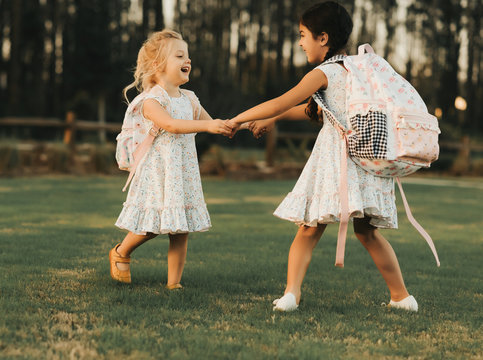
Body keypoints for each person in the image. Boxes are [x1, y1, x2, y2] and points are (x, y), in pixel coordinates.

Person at [228, 2, 418, 312]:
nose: (301, 42)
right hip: (367, 163)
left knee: (308, 227)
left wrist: (236, 120)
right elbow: (317, 113)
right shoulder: (358, 69)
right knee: (367, 233)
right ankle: (402, 298)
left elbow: (280, 102)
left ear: (323, 38)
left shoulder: (323, 73)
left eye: (304, 35)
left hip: (337, 164)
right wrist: (274, 120)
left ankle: (291, 294)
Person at [110, 30, 232, 289]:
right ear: (157, 65)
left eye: (187, 56)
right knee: (151, 225)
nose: (187, 60)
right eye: (179, 55)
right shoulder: (150, 100)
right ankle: (121, 252)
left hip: (183, 173)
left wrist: (243, 124)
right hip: (159, 173)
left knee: (181, 228)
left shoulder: (189, 98)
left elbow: (213, 123)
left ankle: (173, 284)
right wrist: (208, 128)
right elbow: (172, 125)